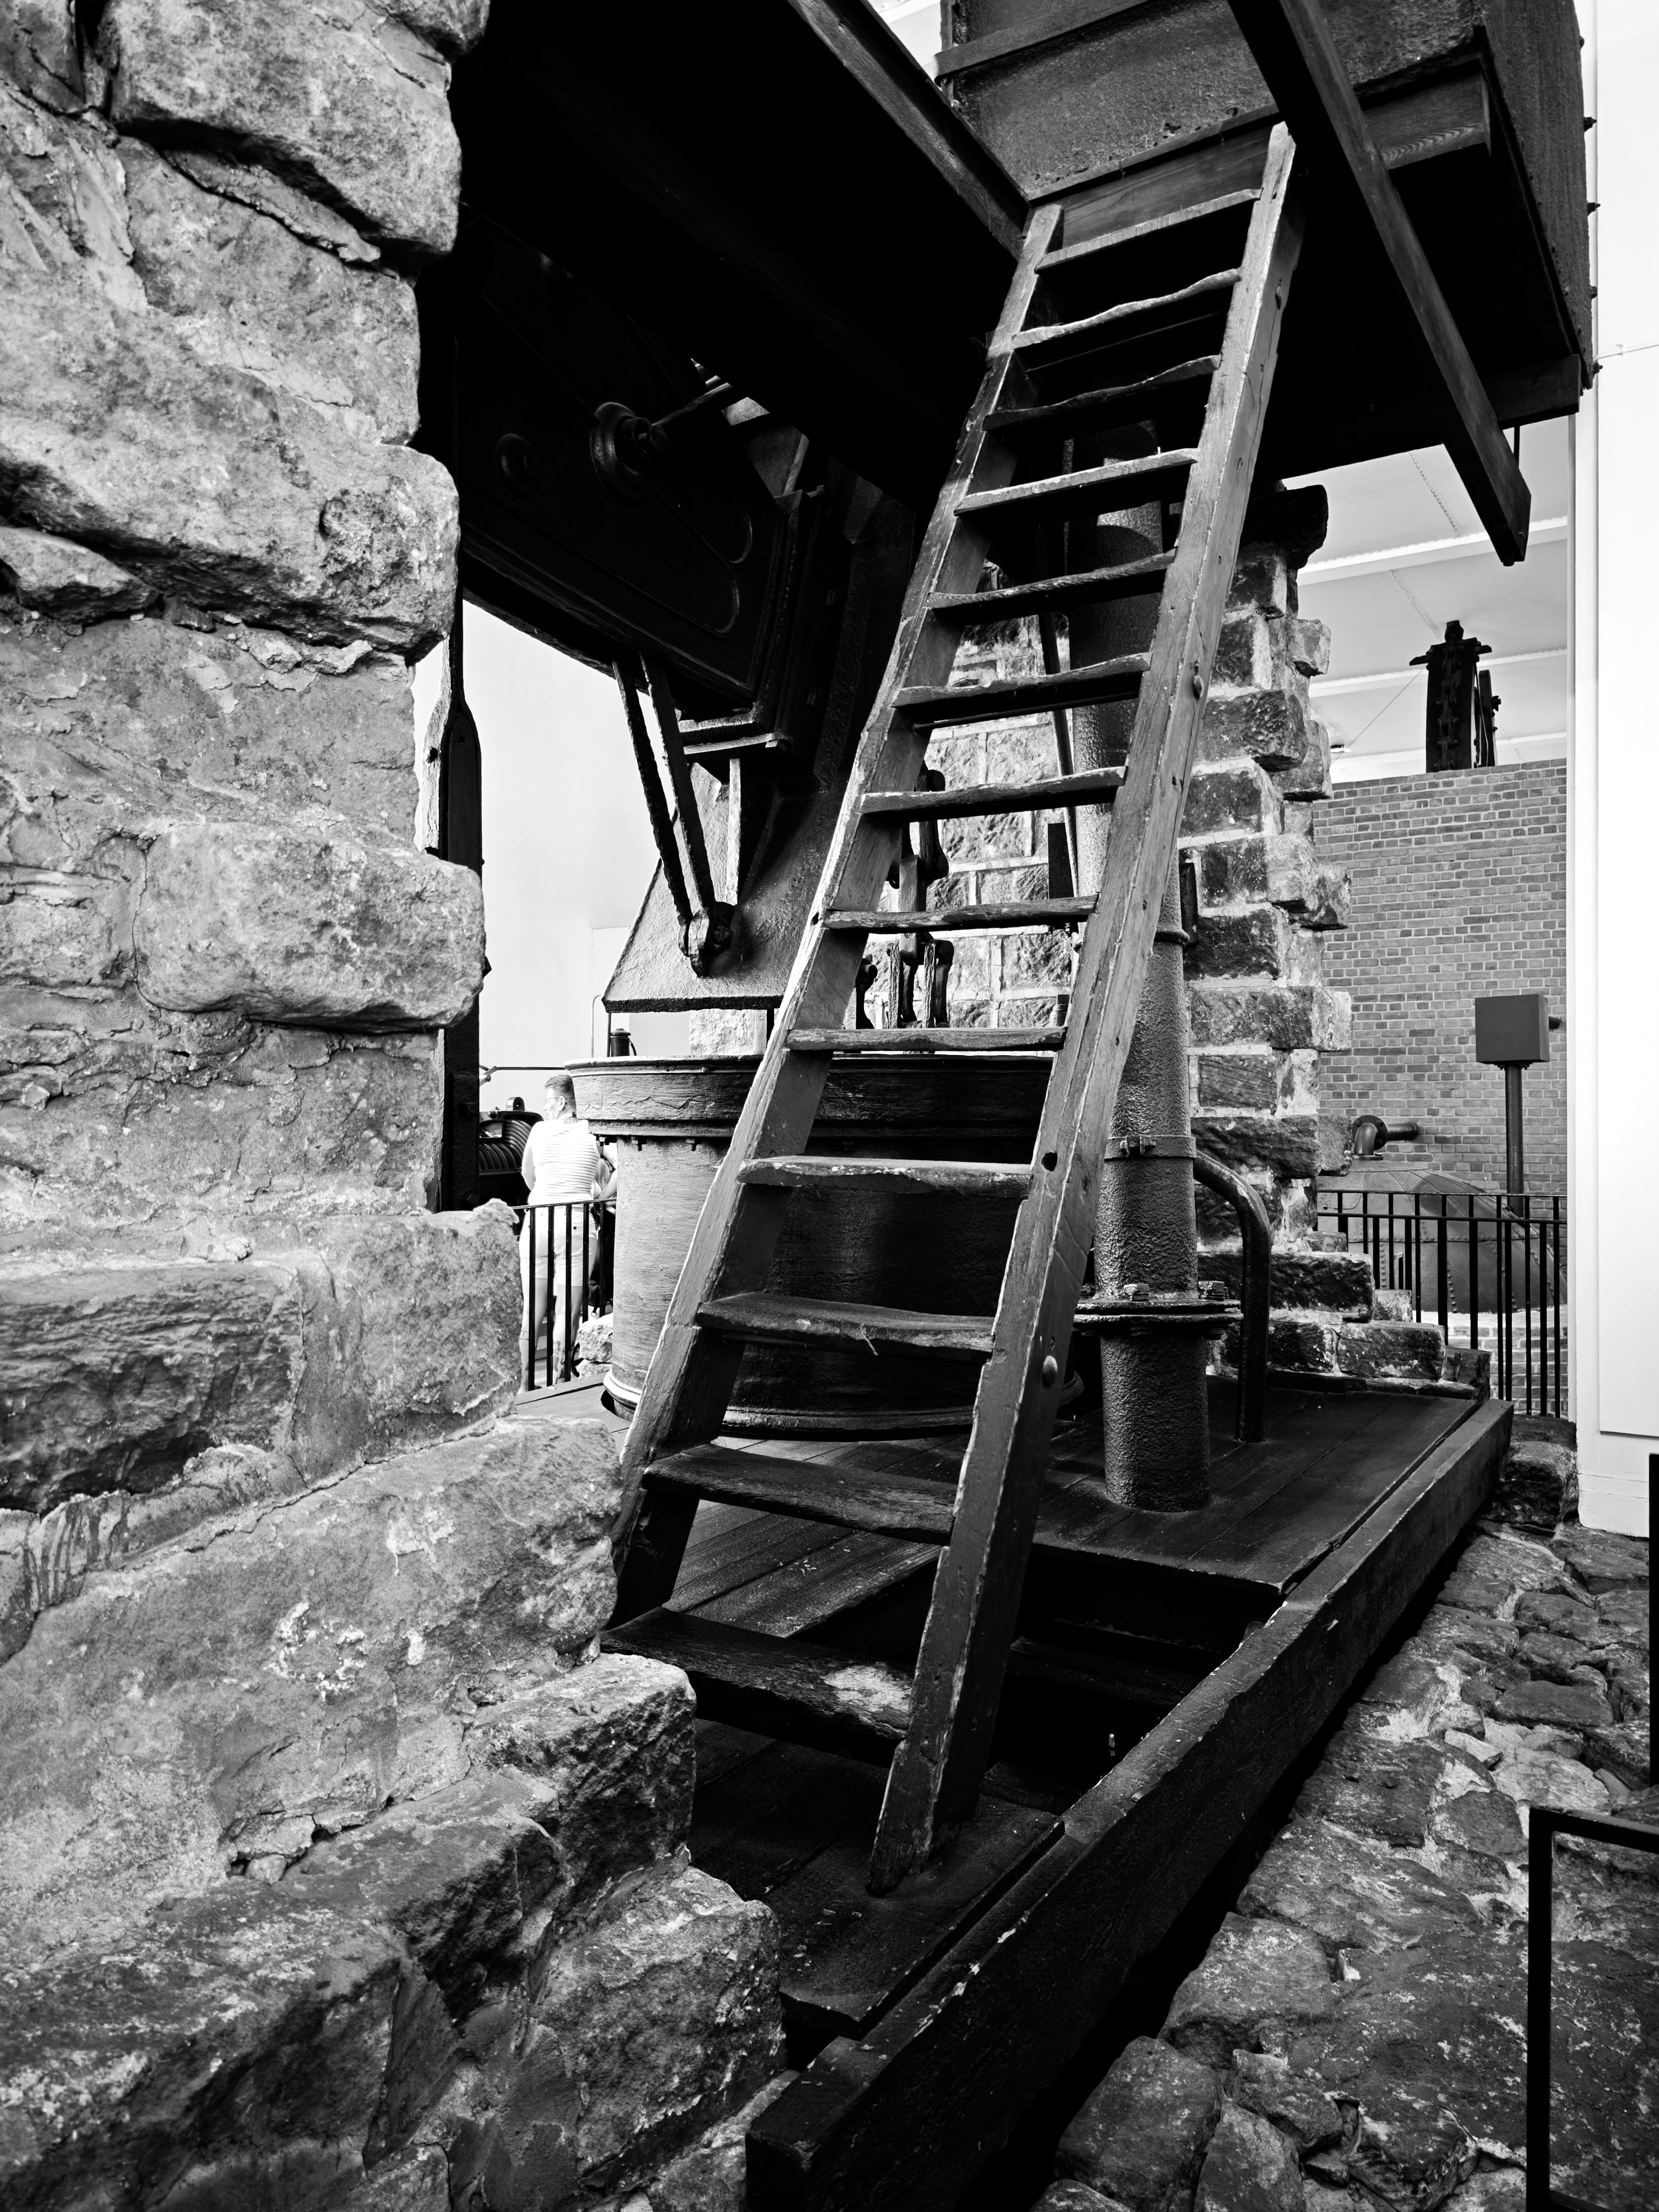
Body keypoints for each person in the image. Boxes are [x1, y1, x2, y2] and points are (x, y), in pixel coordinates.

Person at [519, 1071, 613, 1383]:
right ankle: (559, 1382)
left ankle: (525, 1385)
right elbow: (625, 1167)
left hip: (538, 1222)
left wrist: (547, 1194)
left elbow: (528, 1175)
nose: (545, 1107)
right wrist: (601, 1196)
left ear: (561, 1102)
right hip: (576, 1227)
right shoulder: (596, 1131)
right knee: (567, 1312)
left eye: (548, 1102)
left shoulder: (539, 1130)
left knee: (533, 1310)